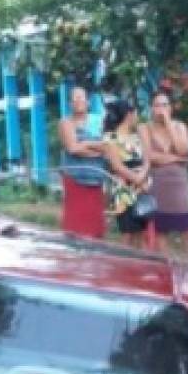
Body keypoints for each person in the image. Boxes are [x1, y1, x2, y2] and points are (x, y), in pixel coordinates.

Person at [143, 89, 188, 254]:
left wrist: (168, 124)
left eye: (165, 105)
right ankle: (164, 268)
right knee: (160, 231)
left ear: (171, 108)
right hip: (158, 184)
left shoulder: (180, 127)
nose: (161, 109)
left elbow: (183, 150)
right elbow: (149, 156)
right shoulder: (145, 128)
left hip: (180, 186)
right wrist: (175, 159)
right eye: (157, 105)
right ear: (151, 108)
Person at [102, 99, 154, 250]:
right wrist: (136, 179)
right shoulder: (110, 138)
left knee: (142, 231)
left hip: (142, 186)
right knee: (127, 232)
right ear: (128, 114)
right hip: (123, 190)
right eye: (135, 113)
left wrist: (143, 177)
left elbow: (147, 159)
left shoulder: (139, 134)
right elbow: (117, 166)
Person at [58, 85, 109, 239]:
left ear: (88, 102)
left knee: (95, 227)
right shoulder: (65, 123)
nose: (78, 101)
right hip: (75, 180)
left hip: (96, 179)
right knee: (75, 227)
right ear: (70, 104)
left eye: (81, 97)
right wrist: (97, 149)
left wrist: (85, 144)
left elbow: (108, 146)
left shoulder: (99, 121)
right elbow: (73, 148)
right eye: (74, 98)